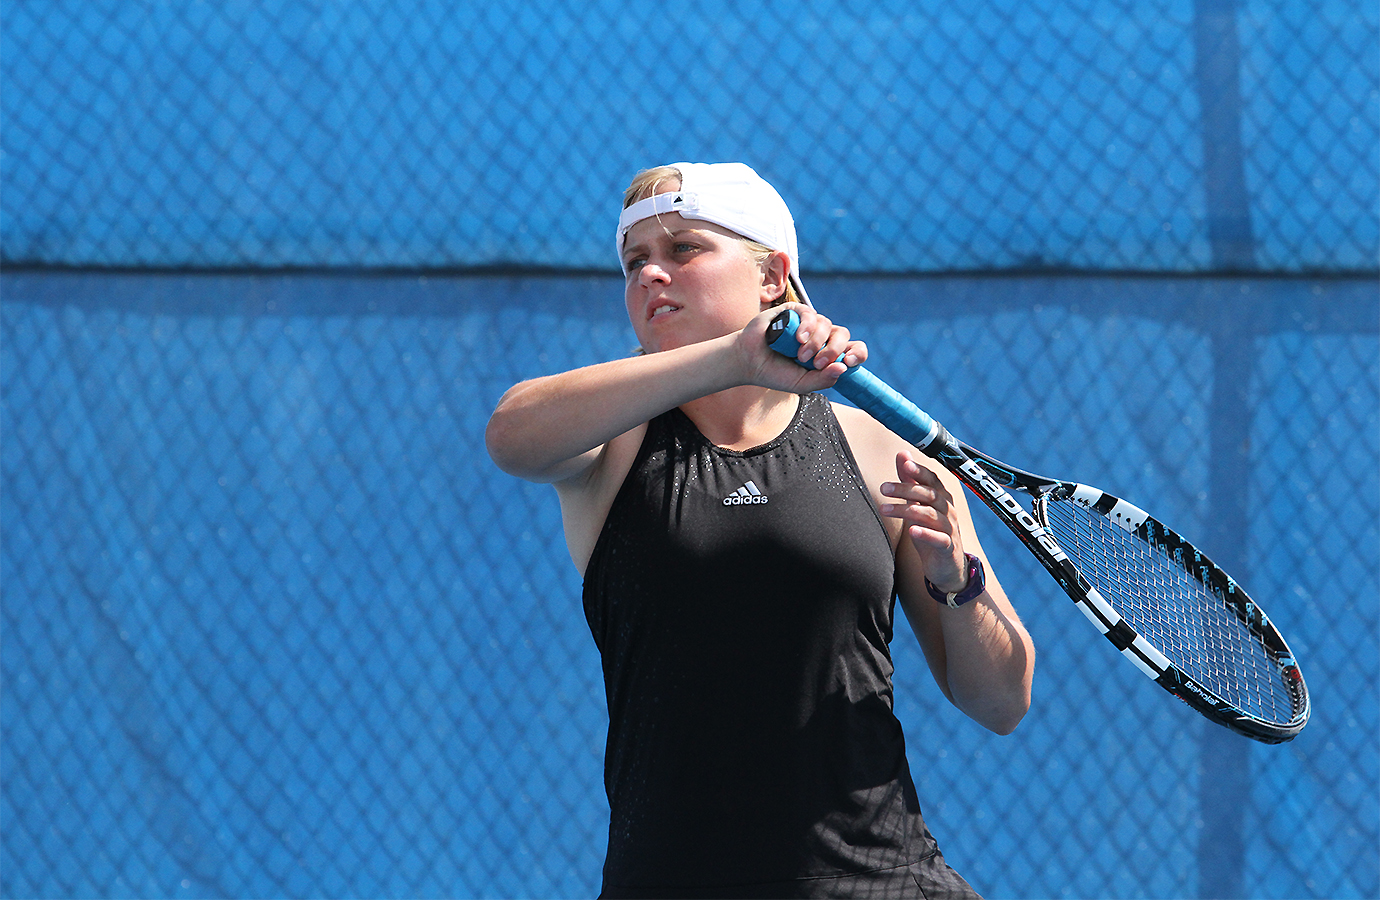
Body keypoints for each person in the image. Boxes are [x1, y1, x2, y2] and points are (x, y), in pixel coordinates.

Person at [485, 162, 1035, 898]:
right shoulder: (610, 450)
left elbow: (1000, 702)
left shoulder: (885, 451)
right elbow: (510, 435)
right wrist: (735, 356)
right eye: (633, 262)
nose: (650, 275)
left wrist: (959, 586)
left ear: (774, 276)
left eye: (683, 249)